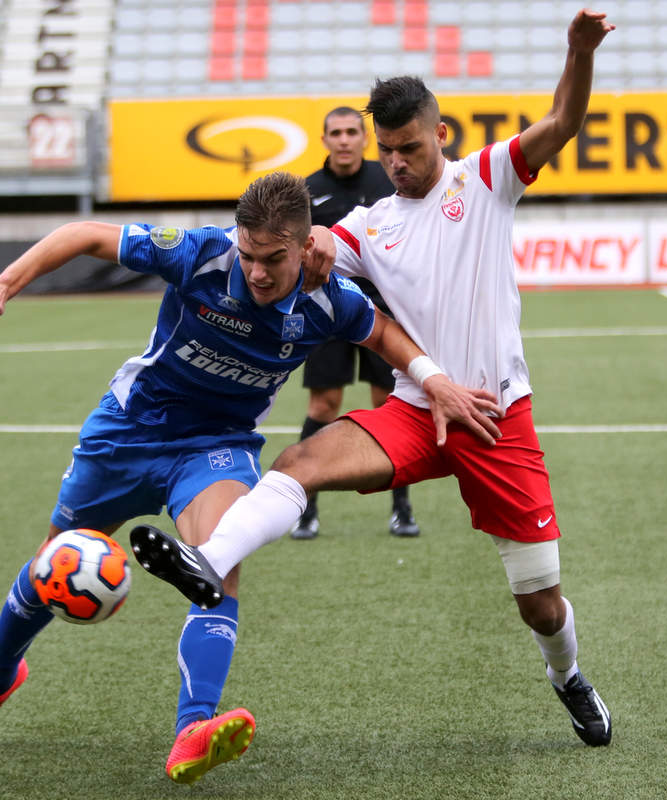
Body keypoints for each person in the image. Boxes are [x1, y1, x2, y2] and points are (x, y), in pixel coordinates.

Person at [131, 9, 616, 749]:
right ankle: (208, 562)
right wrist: (314, 245)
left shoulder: (487, 179)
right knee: (301, 459)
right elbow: (318, 242)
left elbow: (562, 121)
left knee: (541, 606)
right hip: (417, 409)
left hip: (495, 417)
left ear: (440, 136)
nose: (396, 161)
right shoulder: (376, 221)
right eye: (387, 150)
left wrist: (579, 52)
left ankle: (568, 678)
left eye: (408, 147)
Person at [0, 171, 500, 784]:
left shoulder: (327, 298)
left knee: (218, 565)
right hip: (128, 431)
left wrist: (436, 380)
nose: (258, 271)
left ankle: (193, 729)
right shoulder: (200, 253)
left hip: (217, 447)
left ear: (303, 247)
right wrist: (5, 283)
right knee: (50, 566)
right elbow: (82, 234)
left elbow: (383, 331)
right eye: (249, 254)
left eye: (273, 259)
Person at [295, 106, 419, 540]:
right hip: (326, 317)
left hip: (384, 315)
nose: (344, 139)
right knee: (323, 408)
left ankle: (401, 510)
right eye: (336, 133)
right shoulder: (307, 191)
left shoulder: (388, 182)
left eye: (352, 132)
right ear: (324, 139)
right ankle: (305, 509)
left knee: (391, 407)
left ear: (364, 139)